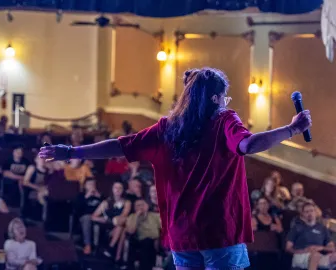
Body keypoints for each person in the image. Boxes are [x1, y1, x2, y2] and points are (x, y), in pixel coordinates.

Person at [39, 67, 312, 270]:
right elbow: (248, 145)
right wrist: (292, 129)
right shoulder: (224, 121)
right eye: (224, 98)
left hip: (182, 233)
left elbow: (122, 146)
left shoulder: (167, 128)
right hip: (220, 231)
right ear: (216, 98)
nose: (226, 103)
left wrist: (72, 151)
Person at [286, 202, 336, 270]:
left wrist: (321, 248)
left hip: (319, 256)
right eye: (306, 212)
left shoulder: (322, 228)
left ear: (315, 212)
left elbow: (332, 248)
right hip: (300, 256)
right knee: (315, 255)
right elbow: (288, 248)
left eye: (311, 211)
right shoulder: (296, 228)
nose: (310, 213)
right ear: (302, 214)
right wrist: (303, 251)